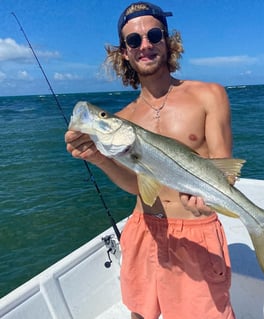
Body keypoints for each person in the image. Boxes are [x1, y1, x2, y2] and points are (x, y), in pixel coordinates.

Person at [65, 2, 235, 318]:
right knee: (140, 314)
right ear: (124, 53)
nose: (145, 45)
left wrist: (212, 199)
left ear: (167, 42)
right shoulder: (123, 118)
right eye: (133, 40)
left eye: (153, 35)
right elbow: (138, 186)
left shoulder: (209, 95)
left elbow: (224, 172)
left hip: (196, 232)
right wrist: (99, 158)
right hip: (143, 230)